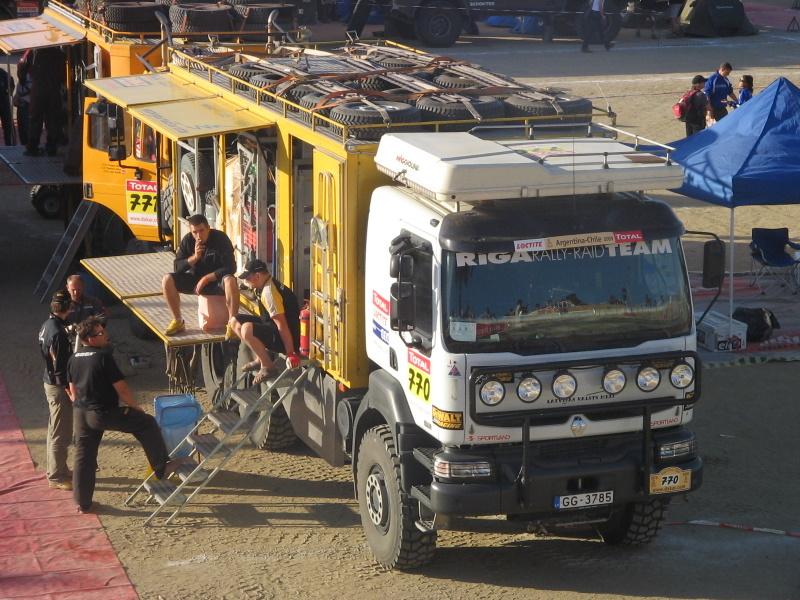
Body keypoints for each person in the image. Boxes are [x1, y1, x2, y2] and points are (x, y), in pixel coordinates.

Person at [68, 316, 180, 513]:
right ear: (90, 339)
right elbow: (122, 388)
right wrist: (135, 407)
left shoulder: (74, 358)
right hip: (103, 412)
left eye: (104, 330)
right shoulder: (103, 357)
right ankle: (161, 467)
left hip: (81, 413)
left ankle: (83, 504)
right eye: (100, 333)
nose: (105, 335)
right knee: (146, 423)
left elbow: (72, 389)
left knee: (83, 457)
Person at [162, 214, 240, 339]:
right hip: (195, 280)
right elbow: (177, 267)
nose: (199, 235)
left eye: (201, 231)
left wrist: (206, 278)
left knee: (230, 280)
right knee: (167, 279)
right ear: (191, 231)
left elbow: (231, 267)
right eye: (195, 232)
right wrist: (195, 258)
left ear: (208, 228)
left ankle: (232, 324)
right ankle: (178, 320)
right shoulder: (188, 240)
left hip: (216, 281)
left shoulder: (221, 239)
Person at [229, 259, 301, 385]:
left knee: (247, 329)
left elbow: (282, 324)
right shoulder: (262, 285)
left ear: (257, 276)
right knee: (235, 321)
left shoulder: (269, 293)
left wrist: (290, 353)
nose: (246, 281)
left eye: (248, 278)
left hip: (287, 337)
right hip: (272, 326)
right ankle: (260, 359)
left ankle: (268, 367)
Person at [37, 290, 73, 490]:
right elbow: (60, 368)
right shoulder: (58, 333)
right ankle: (56, 476)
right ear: (68, 307)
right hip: (58, 386)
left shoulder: (47, 325)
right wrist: (69, 389)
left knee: (54, 429)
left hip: (49, 381)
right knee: (61, 432)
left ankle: (58, 469)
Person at [25, 46, 66, 157]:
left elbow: (22, 67)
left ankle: (32, 147)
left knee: (35, 119)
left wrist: (25, 79)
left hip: (38, 90)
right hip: (53, 90)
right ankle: (51, 147)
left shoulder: (33, 51)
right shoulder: (59, 53)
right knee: (52, 119)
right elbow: (64, 74)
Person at [14, 50, 32, 147]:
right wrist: (16, 99)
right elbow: (17, 93)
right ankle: (24, 145)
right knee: (21, 129)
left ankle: (29, 145)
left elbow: (29, 90)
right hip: (21, 107)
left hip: (27, 106)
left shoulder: (29, 78)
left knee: (27, 128)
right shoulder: (21, 80)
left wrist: (20, 97)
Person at [0, 68, 14, 146]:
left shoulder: (3, 73)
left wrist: (10, 91)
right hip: (4, 102)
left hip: (4, 103)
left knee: (8, 126)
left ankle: (9, 144)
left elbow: (11, 82)